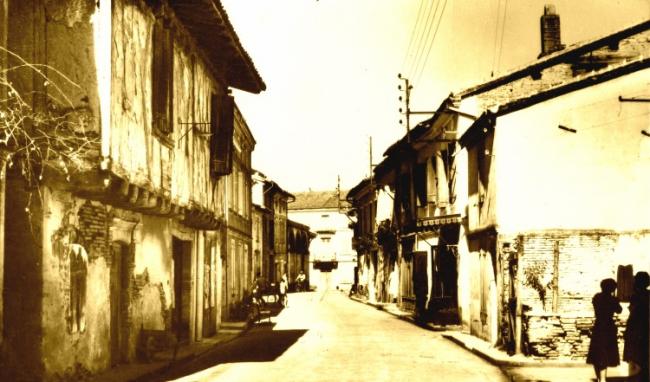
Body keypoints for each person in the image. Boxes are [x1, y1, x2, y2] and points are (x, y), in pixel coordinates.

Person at [587, 278, 623, 382]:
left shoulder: (597, 297)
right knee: (604, 354)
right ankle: (602, 380)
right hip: (608, 327)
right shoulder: (612, 300)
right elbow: (619, 310)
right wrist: (616, 300)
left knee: (597, 354)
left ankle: (599, 378)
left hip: (599, 326)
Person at [624, 271, 649, 382]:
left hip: (636, 328)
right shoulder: (648, 295)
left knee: (634, 357)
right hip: (645, 328)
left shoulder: (636, 296)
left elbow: (633, 311)